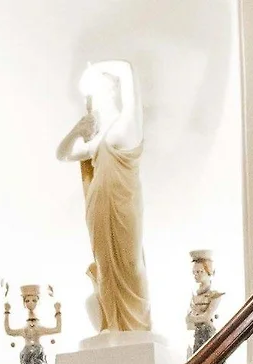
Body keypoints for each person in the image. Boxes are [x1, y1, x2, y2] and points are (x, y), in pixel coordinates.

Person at [56, 60, 149, 334]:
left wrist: (95, 68)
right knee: (105, 267)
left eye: (99, 91)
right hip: (98, 209)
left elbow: (128, 69)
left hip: (124, 206)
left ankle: (137, 325)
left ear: (112, 91)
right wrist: (77, 130)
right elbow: (62, 154)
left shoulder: (128, 124)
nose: (96, 100)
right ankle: (113, 324)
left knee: (131, 263)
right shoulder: (97, 140)